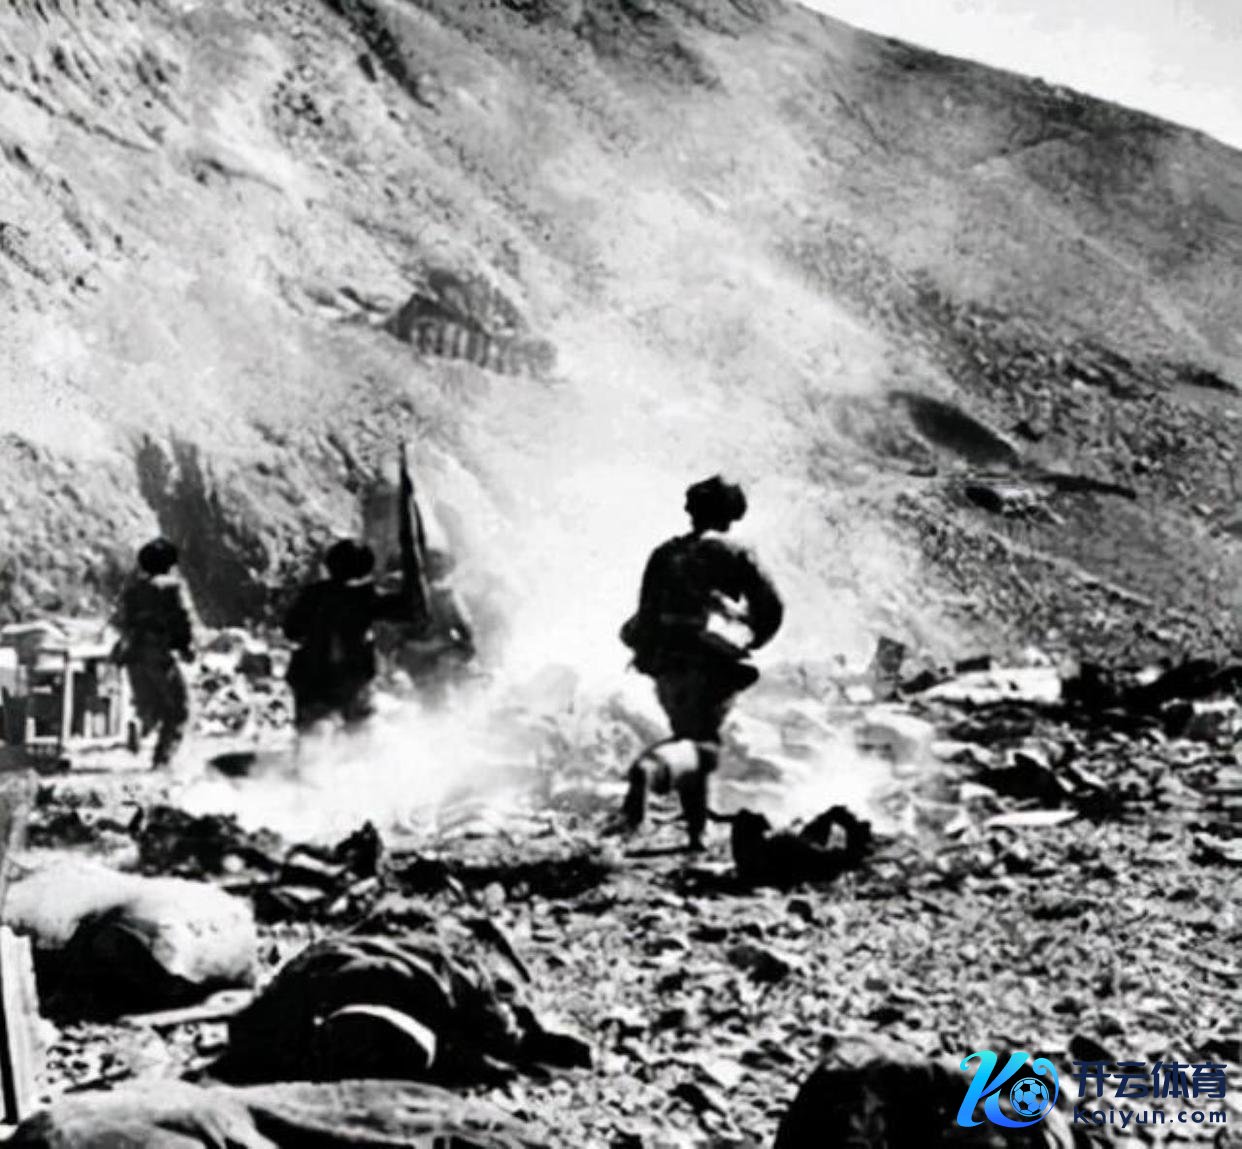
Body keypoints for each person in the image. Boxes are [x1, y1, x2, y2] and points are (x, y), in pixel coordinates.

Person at [618, 475, 784, 850]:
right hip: (711, 662)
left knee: (690, 737)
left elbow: (644, 617)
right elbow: (770, 609)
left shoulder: (664, 554)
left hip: (666, 665)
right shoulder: (735, 552)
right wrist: (751, 638)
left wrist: (648, 656)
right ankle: (648, 770)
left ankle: (697, 833)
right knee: (703, 746)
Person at [283, 539, 414, 732]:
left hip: (314, 679)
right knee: (358, 728)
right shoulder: (366, 597)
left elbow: (292, 631)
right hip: (351, 678)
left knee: (317, 728)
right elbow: (410, 611)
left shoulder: (313, 595)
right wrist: (413, 569)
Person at [110, 537, 195, 768]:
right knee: (179, 708)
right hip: (159, 653)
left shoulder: (132, 590)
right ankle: (162, 760)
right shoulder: (172, 587)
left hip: (133, 654)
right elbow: (182, 620)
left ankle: (139, 725)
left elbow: (120, 621)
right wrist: (186, 647)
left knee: (152, 703)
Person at [392, 547, 477, 707]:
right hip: (440, 655)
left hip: (411, 657)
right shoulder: (446, 595)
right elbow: (465, 629)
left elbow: (390, 636)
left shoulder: (396, 595)